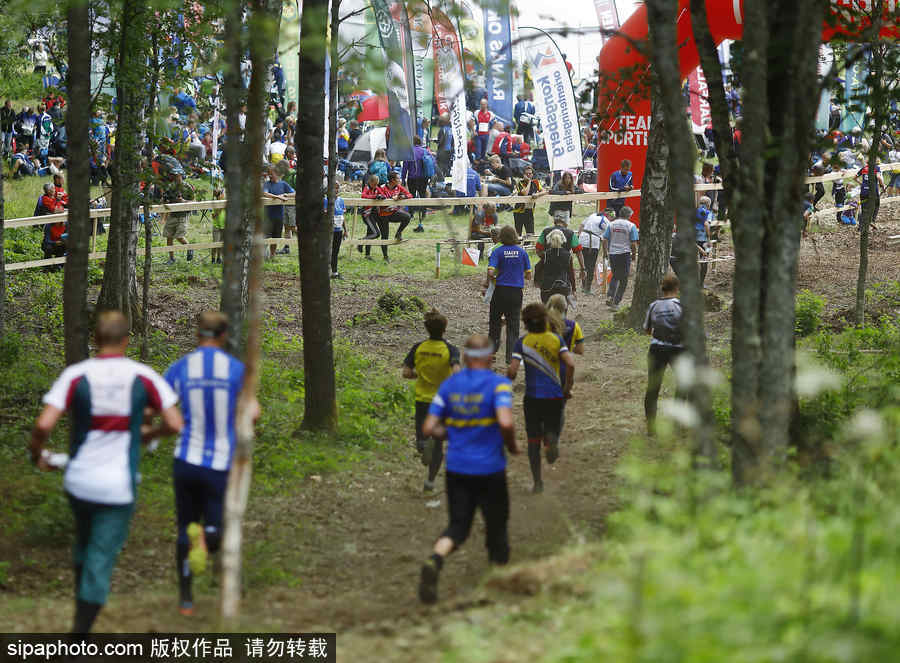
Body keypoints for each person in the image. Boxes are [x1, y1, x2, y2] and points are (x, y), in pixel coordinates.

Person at [29, 311, 183, 632]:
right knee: (100, 557)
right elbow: (174, 423)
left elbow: (43, 424)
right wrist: (148, 436)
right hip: (118, 488)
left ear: (95, 339)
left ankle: (80, 605)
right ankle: (79, 636)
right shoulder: (143, 377)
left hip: (79, 482)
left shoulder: (76, 375)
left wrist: (37, 455)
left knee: (84, 545)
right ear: (127, 340)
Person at [163, 312, 258, 617]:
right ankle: (206, 539)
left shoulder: (180, 368)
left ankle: (185, 599)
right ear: (224, 335)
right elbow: (253, 412)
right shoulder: (236, 370)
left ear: (197, 334)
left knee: (185, 526)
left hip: (185, 459)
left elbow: (161, 406)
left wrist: (176, 424)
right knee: (215, 527)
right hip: (220, 462)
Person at [418, 334, 518, 604]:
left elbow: (428, 428)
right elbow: (506, 423)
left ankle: (435, 558)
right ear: (490, 357)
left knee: (458, 526)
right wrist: (512, 445)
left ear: (464, 357)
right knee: (497, 525)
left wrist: (451, 433)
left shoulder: (449, 386)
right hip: (490, 469)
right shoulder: (499, 386)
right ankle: (497, 585)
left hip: (457, 467)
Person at [507, 303, 574, 494]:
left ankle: (537, 482)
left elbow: (512, 370)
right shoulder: (556, 339)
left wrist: (508, 378)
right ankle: (552, 438)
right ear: (545, 319)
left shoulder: (522, 342)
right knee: (554, 424)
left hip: (532, 398)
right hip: (554, 396)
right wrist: (567, 386)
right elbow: (570, 364)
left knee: (533, 440)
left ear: (525, 323)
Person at [403, 309, 461, 492]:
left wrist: (417, 375)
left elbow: (406, 372)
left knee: (422, 435)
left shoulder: (418, 347)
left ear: (426, 328)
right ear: (444, 329)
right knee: (438, 446)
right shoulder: (450, 350)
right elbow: (457, 372)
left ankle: (422, 444)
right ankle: (430, 480)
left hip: (422, 399)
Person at [643, 274, 684, 434]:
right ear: (677, 288)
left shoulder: (654, 305)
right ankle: (677, 423)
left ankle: (651, 427)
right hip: (677, 349)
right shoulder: (681, 306)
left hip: (656, 349)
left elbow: (647, 329)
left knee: (653, 387)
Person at [487, 225, 532, 364]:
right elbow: (529, 275)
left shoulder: (498, 251)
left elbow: (490, 272)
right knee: (513, 324)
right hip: (516, 292)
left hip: (500, 291)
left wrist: (495, 278)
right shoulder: (522, 252)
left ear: (501, 237)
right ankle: (511, 356)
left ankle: (492, 352)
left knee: (495, 322)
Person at [536, 212, 585, 304]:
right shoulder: (570, 233)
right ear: (566, 221)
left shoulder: (545, 231)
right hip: (563, 281)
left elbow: (538, 249)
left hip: (547, 282)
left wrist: (546, 258)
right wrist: (583, 269)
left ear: (554, 221)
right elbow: (578, 252)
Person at [602, 206, 639, 309]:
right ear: (629, 215)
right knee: (624, 279)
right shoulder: (631, 226)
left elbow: (604, 240)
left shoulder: (612, 224)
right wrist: (634, 256)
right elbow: (633, 243)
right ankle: (616, 302)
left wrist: (605, 252)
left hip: (613, 253)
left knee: (615, 275)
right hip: (625, 253)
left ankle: (610, 296)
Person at [161, 171, 193, 264]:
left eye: (177, 175)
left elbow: (194, 201)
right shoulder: (171, 187)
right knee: (169, 236)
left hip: (182, 215)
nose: (175, 177)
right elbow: (165, 200)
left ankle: (189, 248)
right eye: (174, 175)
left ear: (181, 176)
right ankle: (171, 258)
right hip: (172, 214)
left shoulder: (187, 187)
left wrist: (184, 201)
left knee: (179, 236)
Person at [263, 164, 295, 258]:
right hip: (268, 216)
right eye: (268, 173)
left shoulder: (283, 184)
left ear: (276, 173)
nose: (269, 175)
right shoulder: (267, 184)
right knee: (266, 236)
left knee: (276, 236)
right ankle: (264, 255)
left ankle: (272, 255)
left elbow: (294, 193)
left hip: (279, 216)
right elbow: (265, 193)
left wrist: (286, 195)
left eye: (271, 173)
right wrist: (278, 197)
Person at [578, 207, 610, 295]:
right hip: (592, 243)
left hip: (582, 239)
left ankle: (584, 286)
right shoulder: (606, 221)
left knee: (583, 264)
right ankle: (587, 288)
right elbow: (605, 239)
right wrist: (605, 252)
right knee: (591, 266)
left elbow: (581, 225)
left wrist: (579, 237)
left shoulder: (593, 215)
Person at [378, 170, 412, 247]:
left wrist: (402, 196)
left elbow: (410, 195)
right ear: (392, 180)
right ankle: (385, 256)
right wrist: (390, 198)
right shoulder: (382, 187)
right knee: (385, 237)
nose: (400, 180)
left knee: (407, 217)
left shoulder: (398, 187)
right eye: (398, 178)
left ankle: (398, 233)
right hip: (383, 214)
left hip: (393, 213)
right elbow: (379, 197)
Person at [402, 136, 429, 231]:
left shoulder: (409, 152)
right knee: (422, 194)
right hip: (423, 177)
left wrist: (403, 178)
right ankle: (424, 212)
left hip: (412, 177)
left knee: (412, 195)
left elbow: (405, 167)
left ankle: (411, 214)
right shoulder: (425, 151)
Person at [359, 174, 388, 260]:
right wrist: (375, 197)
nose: (376, 186)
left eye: (377, 184)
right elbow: (363, 196)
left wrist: (381, 196)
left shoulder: (376, 188)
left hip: (373, 215)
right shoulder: (367, 187)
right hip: (366, 214)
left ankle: (367, 255)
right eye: (374, 184)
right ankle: (361, 242)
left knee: (370, 233)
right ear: (370, 182)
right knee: (376, 233)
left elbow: (383, 194)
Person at [512, 165, 545, 236]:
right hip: (519, 211)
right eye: (527, 174)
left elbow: (544, 191)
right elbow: (525, 193)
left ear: (532, 174)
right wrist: (529, 182)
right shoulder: (519, 183)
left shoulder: (536, 182)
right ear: (523, 175)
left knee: (530, 234)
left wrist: (538, 195)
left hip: (529, 210)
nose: (528, 175)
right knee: (518, 234)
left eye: (530, 173)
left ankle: (527, 246)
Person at [327, 183, 347, 278]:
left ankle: (334, 272)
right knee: (327, 251)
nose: (336, 190)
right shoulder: (325, 201)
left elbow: (342, 217)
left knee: (335, 251)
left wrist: (345, 230)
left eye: (337, 188)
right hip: (328, 231)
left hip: (338, 230)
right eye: (334, 188)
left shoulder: (341, 201)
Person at [695, 196, 713, 287]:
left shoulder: (694, 212)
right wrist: (709, 238)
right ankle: (701, 284)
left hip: (694, 239)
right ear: (708, 205)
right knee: (704, 261)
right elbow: (706, 224)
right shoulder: (708, 213)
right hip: (704, 240)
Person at [436, 112, 453, 177]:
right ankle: (447, 178)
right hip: (449, 151)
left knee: (440, 167)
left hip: (442, 151)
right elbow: (452, 141)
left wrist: (437, 142)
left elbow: (441, 141)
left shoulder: (442, 129)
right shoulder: (451, 129)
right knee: (446, 166)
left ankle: (440, 181)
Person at [211, 188, 224, 264]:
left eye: (221, 194)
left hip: (224, 226)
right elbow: (213, 216)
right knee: (215, 243)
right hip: (217, 226)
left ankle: (219, 258)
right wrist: (220, 210)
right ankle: (213, 259)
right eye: (219, 194)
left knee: (221, 243)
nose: (221, 196)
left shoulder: (225, 202)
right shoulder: (215, 203)